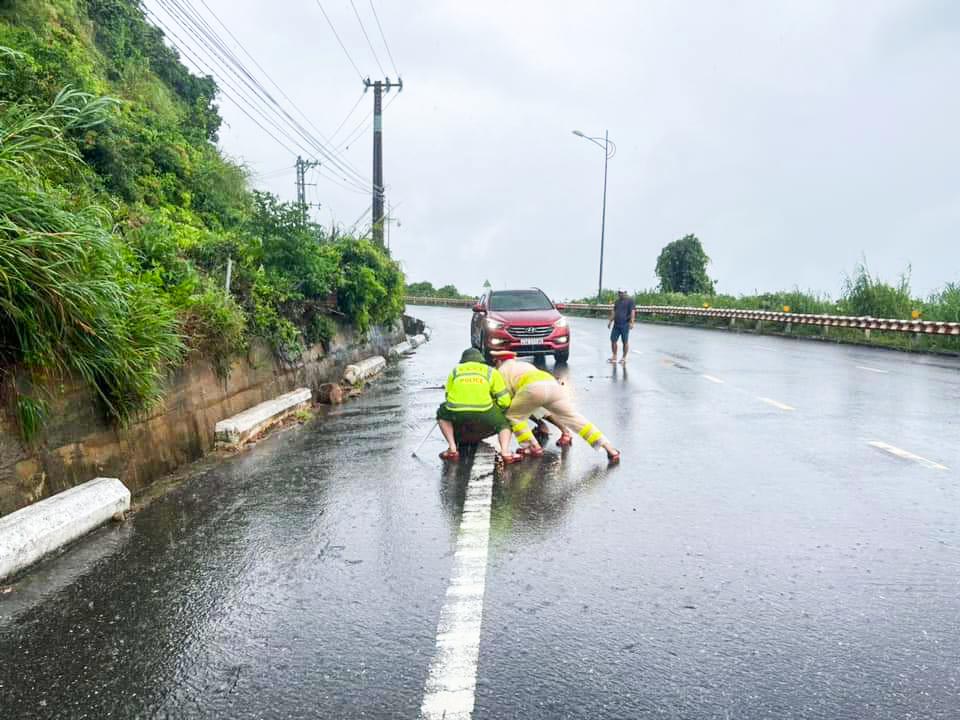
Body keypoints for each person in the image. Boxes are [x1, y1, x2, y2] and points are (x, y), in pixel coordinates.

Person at [491, 352, 621, 463]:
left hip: (532, 389)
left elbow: (505, 400)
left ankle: (532, 447)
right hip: (552, 385)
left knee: (513, 416)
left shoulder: (501, 371)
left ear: (498, 361)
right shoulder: (524, 365)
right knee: (575, 419)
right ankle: (610, 449)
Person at [437, 348, 520, 464]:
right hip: (484, 409)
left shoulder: (455, 371)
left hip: (456, 409)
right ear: (481, 360)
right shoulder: (490, 371)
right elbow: (504, 400)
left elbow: (447, 395)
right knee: (504, 424)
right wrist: (498, 408)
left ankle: (452, 448)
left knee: (441, 414)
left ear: (463, 360)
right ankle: (505, 452)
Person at [607, 289, 636, 364]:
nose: (620, 294)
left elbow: (632, 312)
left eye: (622, 293)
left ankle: (624, 357)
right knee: (613, 340)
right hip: (616, 324)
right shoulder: (617, 302)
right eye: (619, 293)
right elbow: (614, 312)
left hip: (625, 324)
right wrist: (610, 321)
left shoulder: (630, 301)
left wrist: (632, 322)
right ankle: (614, 356)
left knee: (625, 341)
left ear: (625, 293)